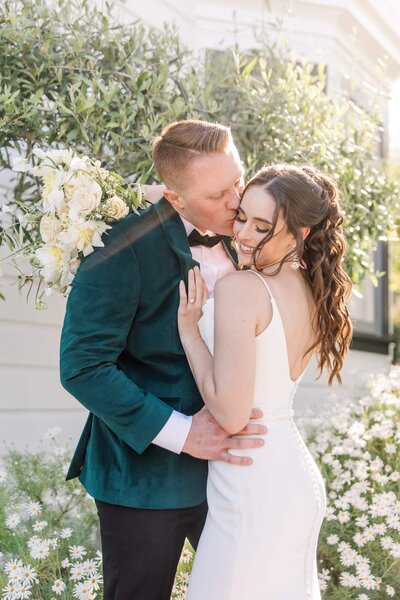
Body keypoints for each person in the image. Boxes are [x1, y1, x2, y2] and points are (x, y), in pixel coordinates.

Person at [59, 119, 268, 600]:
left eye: (238, 179)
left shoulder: (253, 235)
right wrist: (185, 433)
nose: (237, 200)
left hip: (234, 476)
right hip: (144, 481)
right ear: (174, 199)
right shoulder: (122, 246)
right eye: (219, 194)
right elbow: (83, 366)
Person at [177, 163, 353, 599]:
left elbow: (232, 414)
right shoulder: (314, 292)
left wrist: (190, 334)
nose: (242, 236)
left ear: (299, 234)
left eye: (262, 227)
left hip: (251, 482)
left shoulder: (243, 287)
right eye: (241, 218)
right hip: (290, 478)